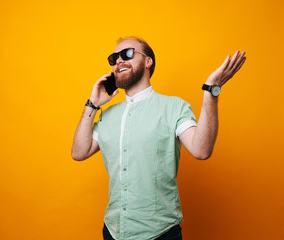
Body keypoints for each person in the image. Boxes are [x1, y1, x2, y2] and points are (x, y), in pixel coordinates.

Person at [71, 36, 246, 240]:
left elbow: (201, 150)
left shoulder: (174, 107)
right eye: (114, 57)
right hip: (113, 231)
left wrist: (211, 91)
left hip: (160, 234)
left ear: (148, 61)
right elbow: (78, 152)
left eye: (127, 53)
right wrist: (92, 104)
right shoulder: (106, 115)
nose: (118, 60)